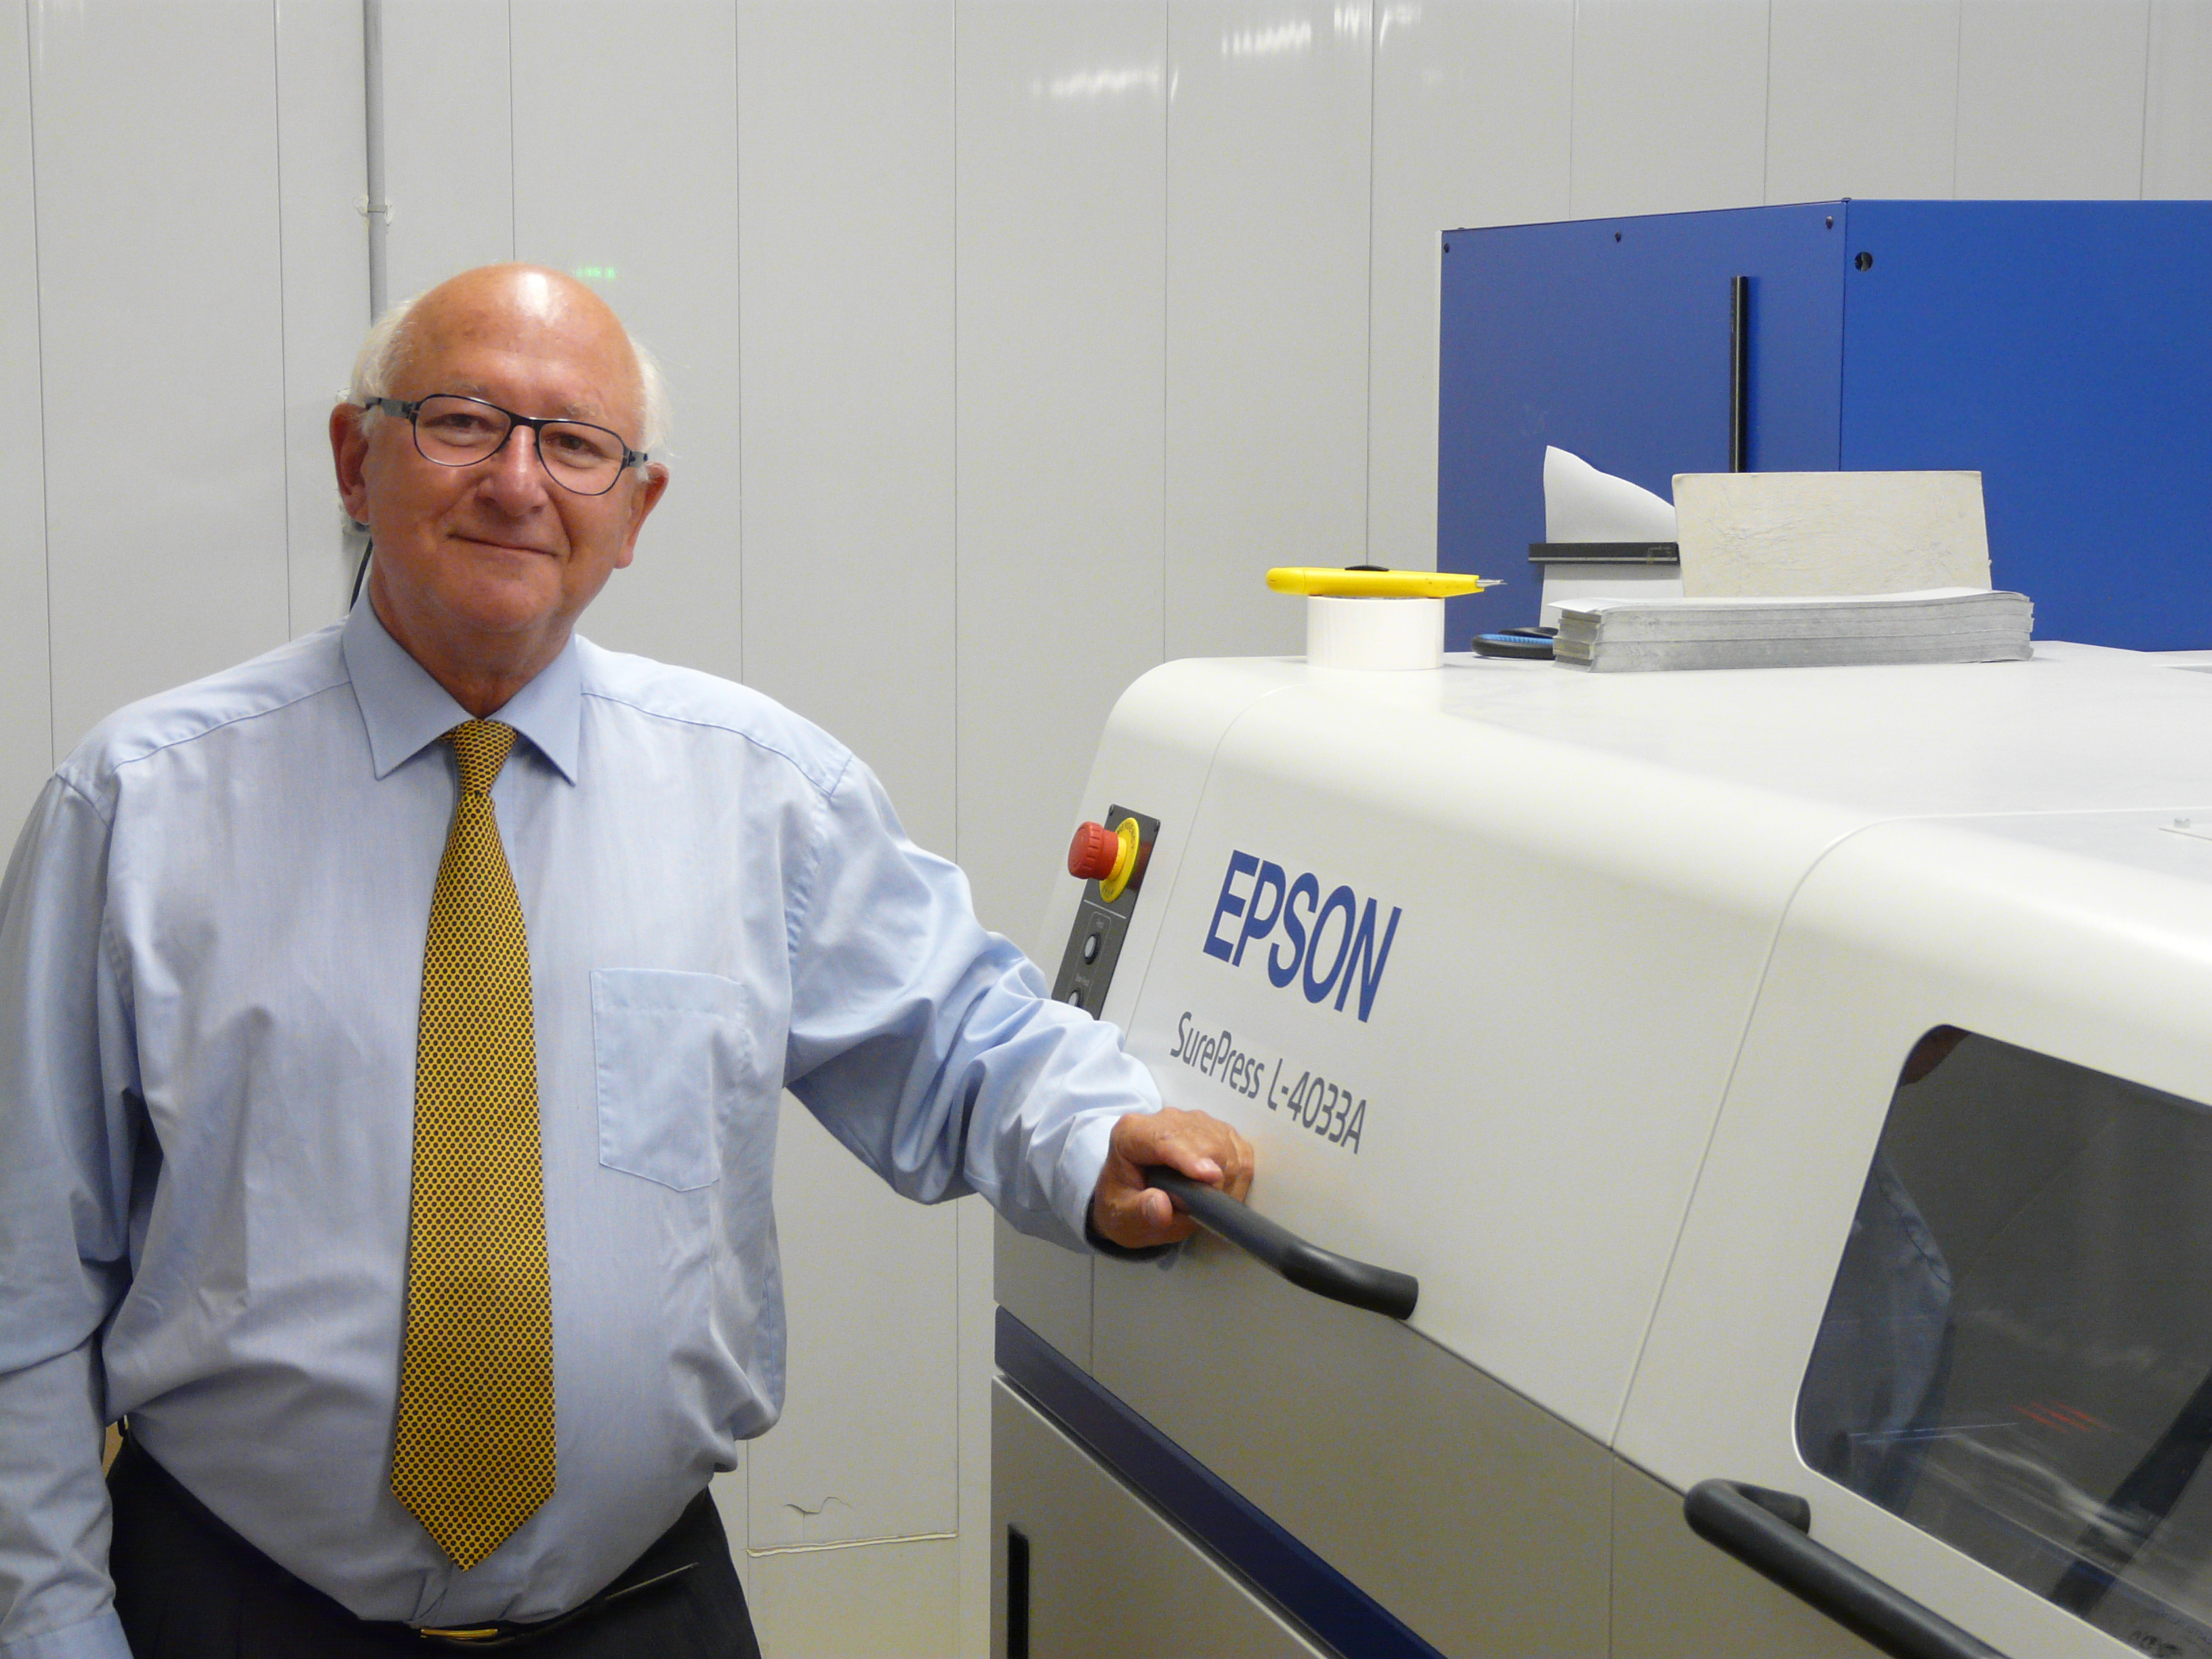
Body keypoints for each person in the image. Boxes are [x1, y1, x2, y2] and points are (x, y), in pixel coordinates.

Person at [0, 264, 1253, 1658]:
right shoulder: (139, 809)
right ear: (357, 461)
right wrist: (53, 1628)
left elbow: (962, 1046)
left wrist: (1096, 1142)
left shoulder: (763, 797)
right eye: (462, 422)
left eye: (576, 444)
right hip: (232, 1605)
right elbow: (25, 1272)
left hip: (638, 1607)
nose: (517, 482)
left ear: (636, 510)